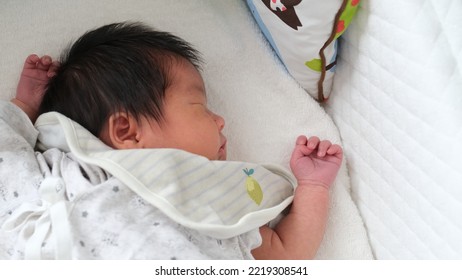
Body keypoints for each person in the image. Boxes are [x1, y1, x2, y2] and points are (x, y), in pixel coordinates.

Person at [2, 22, 342, 260]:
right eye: (200, 106)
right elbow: (7, 154)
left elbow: (284, 253)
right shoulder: (71, 174)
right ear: (127, 132)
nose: (221, 120)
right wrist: (25, 107)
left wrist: (313, 187)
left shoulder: (213, 196)